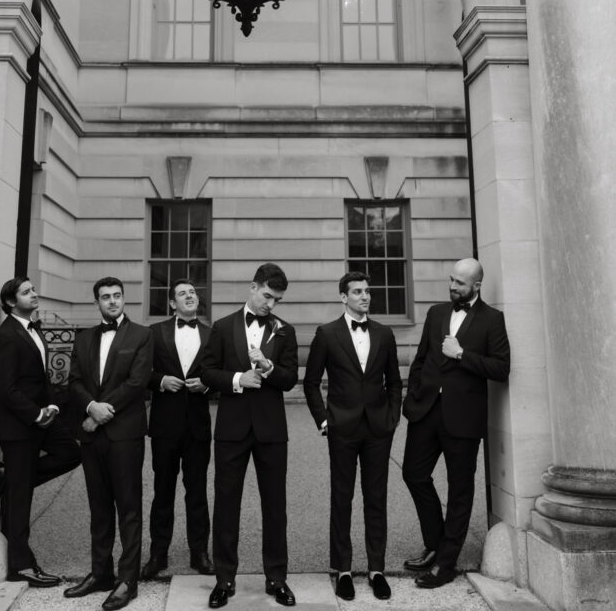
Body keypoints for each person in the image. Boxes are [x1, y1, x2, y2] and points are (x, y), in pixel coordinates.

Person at [402, 257, 510, 589]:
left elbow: (500, 368)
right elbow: (421, 358)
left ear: (476, 285)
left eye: (460, 283)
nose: (452, 287)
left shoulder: (493, 320)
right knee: (413, 473)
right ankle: (436, 542)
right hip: (427, 411)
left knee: (460, 490)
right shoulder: (436, 313)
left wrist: (462, 354)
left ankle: (445, 564)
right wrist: (414, 397)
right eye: (451, 280)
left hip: (463, 419)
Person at [200, 263, 298, 609]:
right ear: (253, 287)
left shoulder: (285, 332)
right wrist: (238, 380)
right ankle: (224, 579)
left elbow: (289, 379)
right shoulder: (224, 327)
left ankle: (277, 577)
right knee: (226, 504)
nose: (271, 304)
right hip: (232, 428)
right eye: (268, 296)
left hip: (272, 430)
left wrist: (270, 369)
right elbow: (207, 371)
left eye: (277, 299)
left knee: (275, 507)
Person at [303, 271, 402, 602]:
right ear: (343, 297)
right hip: (341, 428)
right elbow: (311, 382)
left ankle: (376, 570)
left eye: (367, 291)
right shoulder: (327, 334)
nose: (365, 296)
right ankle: (343, 570)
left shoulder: (384, 334)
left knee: (376, 499)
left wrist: (391, 418)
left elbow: (395, 382)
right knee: (341, 498)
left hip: (377, 429)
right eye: (357, 292)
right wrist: (323, 421)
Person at [64, 277, 153, 610]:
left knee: (128, 508)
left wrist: (101, 411)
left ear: (123, 300)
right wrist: (90, 406)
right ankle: (99, 572)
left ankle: (127, 579)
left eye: (117, 296)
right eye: (106, 297)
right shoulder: (84, 337)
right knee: (99, 509)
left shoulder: (142, 335)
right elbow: (73, 381)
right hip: (92, 436)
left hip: (125, 435)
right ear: (97, 302)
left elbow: (137, 382)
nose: (113, 301)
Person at [0, 277, 81, 586]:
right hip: (18, 426)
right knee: (21, 500)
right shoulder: (5, 336)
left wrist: (51, 406)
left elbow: (41, 377)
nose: (34, 294)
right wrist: (35, 413)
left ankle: (9, 481)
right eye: (27, 292)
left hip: (42, 418)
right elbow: (6, 389)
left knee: (71, 453)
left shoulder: (34, 327)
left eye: (33, 289)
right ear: (11, 302)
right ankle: (21, 565)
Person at [141, 279, 213, 580]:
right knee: (163, 492)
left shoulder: (212, 334)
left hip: (197, 425)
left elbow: (219, 371)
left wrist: (208, 384)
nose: (189, 296)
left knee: (197, 492)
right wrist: (160, 382)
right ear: (172, 304)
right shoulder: (154, 333)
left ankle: (200, 553)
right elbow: (140, 371)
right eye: (182, 294)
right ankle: (158, 554)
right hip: (165, 425)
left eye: (193, 292)